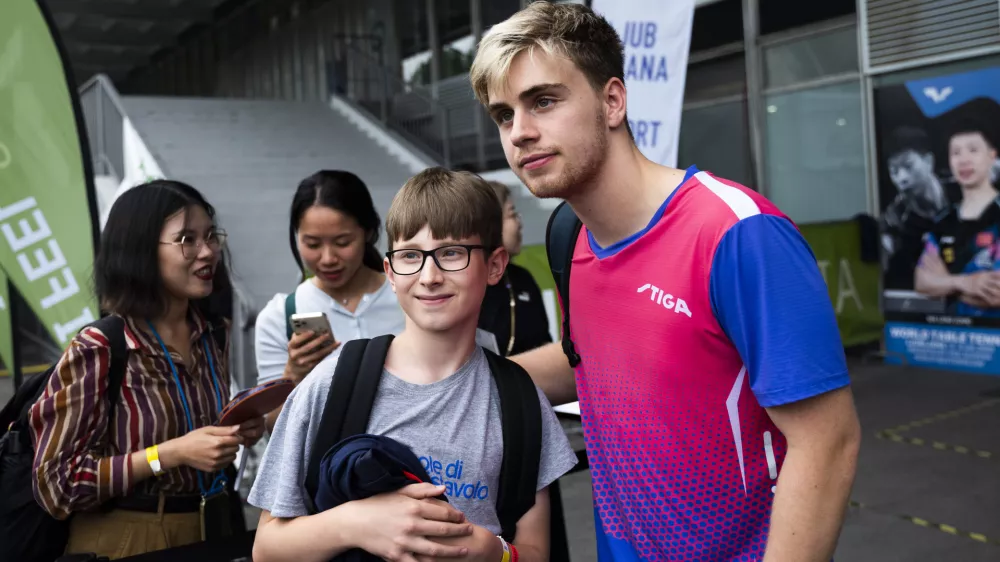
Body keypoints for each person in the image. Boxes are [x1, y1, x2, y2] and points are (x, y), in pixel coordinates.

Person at [469, 2, 861, 561]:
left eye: (544, 101)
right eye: (504, 115)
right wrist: (438, 380)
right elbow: (592, 361)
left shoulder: (739, 233)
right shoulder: (568, 236)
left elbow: (828, 442)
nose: (521, 133)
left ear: (612, 100)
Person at [248, 167, 577, 562]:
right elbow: (267, 547)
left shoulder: (521, 401)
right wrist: (356, 523)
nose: (429, 275)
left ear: (495, 265)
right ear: (390, 272)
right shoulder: (333, 383)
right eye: (410, 256)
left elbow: (536, 552)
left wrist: (495, 552)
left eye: (452, 252)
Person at [28, 180, 265, 559]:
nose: (207, 252)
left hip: (212, 527)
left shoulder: (213, 333)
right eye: (187, 240)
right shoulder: (101, 347)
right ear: (140, 251)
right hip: (127, 538)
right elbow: (57, 485)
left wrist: (234, 429)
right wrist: (168, 454)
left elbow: (193, 432)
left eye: (211, 236)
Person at [254, 170, 406, 430]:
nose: (327, 259)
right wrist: (293, 375)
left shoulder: (409, 296)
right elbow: (272, 429)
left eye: (342, 242)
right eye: (312, 244)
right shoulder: (279, 316)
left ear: (369, 232)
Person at [915, 122, 1000, 316]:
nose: (964, 160)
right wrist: (965, 283)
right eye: (956, 153)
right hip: (955, 339)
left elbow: (995, 295)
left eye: (973, 150)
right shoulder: (943, 220)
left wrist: (945, 283)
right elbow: (922, 282)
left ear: (992, 156)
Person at [478, 180, 553, 356]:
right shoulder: (466, 284)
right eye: (512, 215)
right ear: (491, 225)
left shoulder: (522, 279)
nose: (519, 223)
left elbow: (544, 344)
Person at [880, 127, 950, 288]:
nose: (902, 178)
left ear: (928, 161)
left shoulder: (961, 188)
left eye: (908, 166)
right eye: (894, 171)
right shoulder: (894, 219)